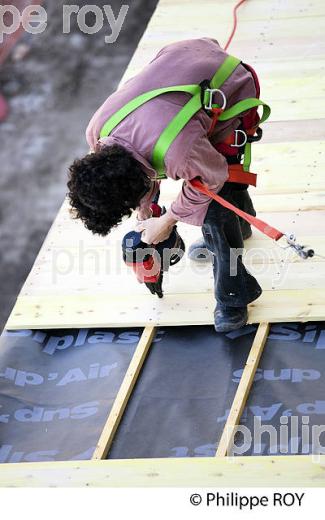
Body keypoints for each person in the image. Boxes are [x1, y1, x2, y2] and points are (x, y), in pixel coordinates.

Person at [67, 37, 262, 333]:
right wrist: (145, 212)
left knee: (214, 209)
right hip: (186, 56)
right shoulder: (98, 132)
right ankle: (244, 225)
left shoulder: (178, 152)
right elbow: (136, 165)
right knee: (206, 184)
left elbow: (214, 176)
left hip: (230, 84)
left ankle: (235, 296)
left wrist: (168, 221)